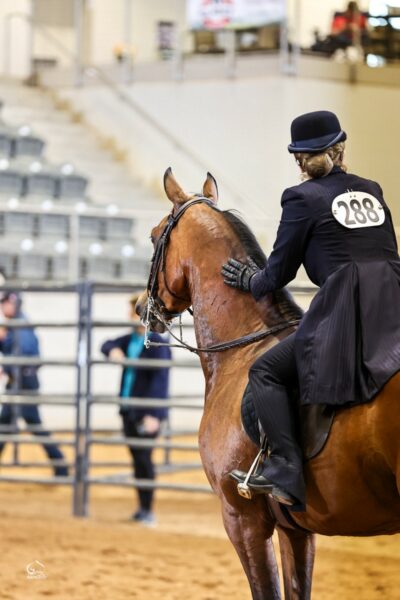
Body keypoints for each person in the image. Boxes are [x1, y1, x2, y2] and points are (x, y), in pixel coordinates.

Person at [222, 110, 400, 510]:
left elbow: (278, 273)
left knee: (265, 370)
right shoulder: (371, 189)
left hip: (346, 311)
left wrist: (249, 279)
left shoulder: (300, 197)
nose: (299, 162)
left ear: (334, 152)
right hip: (392, 307)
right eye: (297, 155)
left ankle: (285, 467)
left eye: (306, 154)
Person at [101, 293, 171, 526]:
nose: (130, 316)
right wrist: (112, 351)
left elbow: (160, 381)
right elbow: (106, 344)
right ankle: (142, 508)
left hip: (146, 412)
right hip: (128, 408)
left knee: (144, 460)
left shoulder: (157, 341)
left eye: (135, 311)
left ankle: (147, 509)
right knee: (137, 459)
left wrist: (155, 414)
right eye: (131, 311)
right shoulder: (130, 339)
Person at [0, 292, 68, 477]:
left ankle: (61, 466)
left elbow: (24, 354)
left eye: (4, 303)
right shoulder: (15, 325)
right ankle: (61, 467)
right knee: (5, 425)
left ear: (13, 304)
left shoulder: (20, 325)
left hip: (24, 383)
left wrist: (5, 368)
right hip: (19, 382)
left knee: (32, 426)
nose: (2, 307)